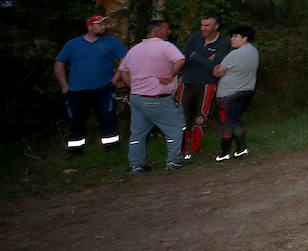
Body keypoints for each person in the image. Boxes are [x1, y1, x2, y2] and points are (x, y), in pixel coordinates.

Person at [116, 19, 188, 173]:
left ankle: (136, 165)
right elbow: (181, 60)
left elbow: (122, 70)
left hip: (136, 98)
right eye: (167, 29)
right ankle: (174, 161)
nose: (169, 32)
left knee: (138, 133)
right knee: (174, 129)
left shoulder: (134, 49)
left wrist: (133, 86)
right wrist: (171, 75)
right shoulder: (165, 46)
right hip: (157, 98)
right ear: (158, 31)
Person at [53, 15, 127, 155]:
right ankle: (75, 151)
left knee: (107, 117)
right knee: (76, 120)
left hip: (103, 88)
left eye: (104, 24)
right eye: (100, 24)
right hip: (76, 90)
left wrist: (115, 79)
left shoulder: (111, 42)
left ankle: (112, 149)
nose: (103, 27)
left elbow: (125, 59)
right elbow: (59, 63)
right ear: (90, 26)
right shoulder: (73, 44)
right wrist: (64, 84)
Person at [178, 13, 231, 162]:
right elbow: (184, 55)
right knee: (182, 118)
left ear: (216, 26)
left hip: (207, 84)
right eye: (202, 25)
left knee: (200, 118)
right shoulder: (195, 37)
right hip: (187, 82)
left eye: (207, 25)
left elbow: (217, 64)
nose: (203, 28)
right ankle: (181, 152)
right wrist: (206, 59)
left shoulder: (223, 42)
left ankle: (194, 152)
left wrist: (195, 56)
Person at [212, 26, 259, 161]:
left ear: (245, 38)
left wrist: (215, 65)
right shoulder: (253, 51)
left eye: (235, 36)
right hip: (246, 92)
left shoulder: (234, 54)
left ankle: (224, 153)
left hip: (229, 94)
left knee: (227, 123)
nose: (232, 39)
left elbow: (218, 72)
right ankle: (241, 149)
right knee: (235, 120)